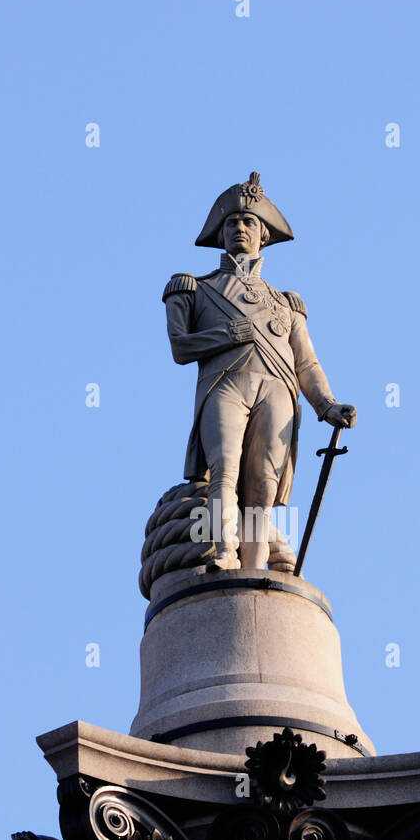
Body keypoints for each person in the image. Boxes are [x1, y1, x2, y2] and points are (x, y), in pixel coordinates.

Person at [164, 172, 355, 570]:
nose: (240, 228)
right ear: (220, 234)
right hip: (225, 383)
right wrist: (229, 334)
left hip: (278, 389)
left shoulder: (286, 303)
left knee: (263, 486)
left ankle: (252, 567)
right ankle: (223, 553)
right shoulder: (194, 288)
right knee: (224, 470)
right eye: (231, 222)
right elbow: (181, 347)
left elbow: (306, 363)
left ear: (263, 234)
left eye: (248, 221)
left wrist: (327, 405)